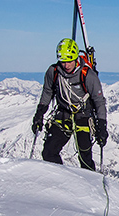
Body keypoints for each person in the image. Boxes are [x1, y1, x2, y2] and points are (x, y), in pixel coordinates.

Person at [32, 38, 108, 171]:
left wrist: (102, 125)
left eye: (69, 61)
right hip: (63, 114)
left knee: (85, 156)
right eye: (63, 61)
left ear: (75, 58)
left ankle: (90, 184)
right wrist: (39, 114)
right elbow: (47, 92)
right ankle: (63, 180)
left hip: (83, 116)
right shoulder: (54, 72)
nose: (66, 65)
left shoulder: (87, 75)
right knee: (49, 152)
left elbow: (99, 102)